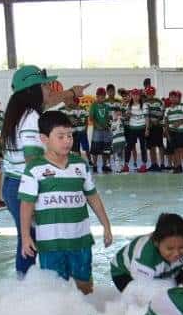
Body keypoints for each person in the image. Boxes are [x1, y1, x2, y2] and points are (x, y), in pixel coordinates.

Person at [2, 65, 90, 275]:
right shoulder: (30, 118)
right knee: (31, 240)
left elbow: (49, 100)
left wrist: (71, 92)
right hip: (25, 187)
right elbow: (32, 161)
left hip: (14, 183)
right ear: (32, 90)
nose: (49, 89)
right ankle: (26, 285)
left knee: (28, 238)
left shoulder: (19, 111)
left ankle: (26, 284)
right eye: (44, 85)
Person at [18, 110, 113, 294]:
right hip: (50, 244)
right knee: (54, 290)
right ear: (44, 139)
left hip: (80, 240)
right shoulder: (35, 169)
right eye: (60, 136)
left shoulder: (80, 165)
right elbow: (26, 205)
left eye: (70, 135)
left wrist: (106, 225)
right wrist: (25, 236)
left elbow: (92, 196)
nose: (67, 141)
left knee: (85, 285)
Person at [111, 212, 183, 292]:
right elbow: (142, 293)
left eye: (181, 247)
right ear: (156, 243)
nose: (176, 253)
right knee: (158, 299)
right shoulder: (145, 257)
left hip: (167, 268)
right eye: (170, 248)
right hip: (125, 274)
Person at [166, 92, 183, 174]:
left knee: (182, 150)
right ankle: (178, 167)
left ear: (177, 98)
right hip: (172, 132)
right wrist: (167, 134)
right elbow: (166, 123)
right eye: (171, 97)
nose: (173, 98)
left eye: (175, 97)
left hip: (181, 132)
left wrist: (180, 123)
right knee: (175, 150)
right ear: (169, 98)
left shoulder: (182, 107)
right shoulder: (167, 109)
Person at [89, 88, 113, 174]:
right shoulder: (93, 106)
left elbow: (109, 117)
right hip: (97, 131)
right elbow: (91, 118)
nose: (102, 98)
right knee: (95, 149)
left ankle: (104, 165)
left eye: (103, 96)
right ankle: (95, 165)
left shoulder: (107, 106)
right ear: (97, 96)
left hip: (106, 130)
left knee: (106, 149)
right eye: (100, 96)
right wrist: (97, 125)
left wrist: (107, 125)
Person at [125, 89, 149, 172]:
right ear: (132, 96)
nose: (135, 96)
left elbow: (146, 118)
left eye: (137, 95)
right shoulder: (129, 105)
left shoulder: (144, 105)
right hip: (132, 129)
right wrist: (127, 114)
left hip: (142, 128)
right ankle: (126, 165)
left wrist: (147, 129)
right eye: (134, 95)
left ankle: (144, 165)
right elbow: (127, 117)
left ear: (139, 96)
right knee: (128, 147)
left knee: (143, 147)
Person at [145, 85, 165, 170]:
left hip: (158, 126)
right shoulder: (144, 102)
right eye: (148, 93)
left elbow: (163, 112)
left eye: (151, 93)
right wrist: (149, 122)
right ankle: (154, 164)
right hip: (149, 127)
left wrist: (157, 120)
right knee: (151, 146)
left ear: (154, 93)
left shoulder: (159, 102)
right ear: (146, 94)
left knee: (160, 145)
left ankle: (162, 164)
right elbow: (144, 114)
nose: (150, 94)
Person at [110, 108, 127, 173]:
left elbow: (124, 118)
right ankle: (118, 168)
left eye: (119, 113)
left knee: (120, 154)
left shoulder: (121, 119)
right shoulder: (112, 122)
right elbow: (111, 131)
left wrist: (119, 116)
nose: (118, 114)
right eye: (116, 113)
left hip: (121, 140)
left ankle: (120, 168)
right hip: (115, 140)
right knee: (117, 154)